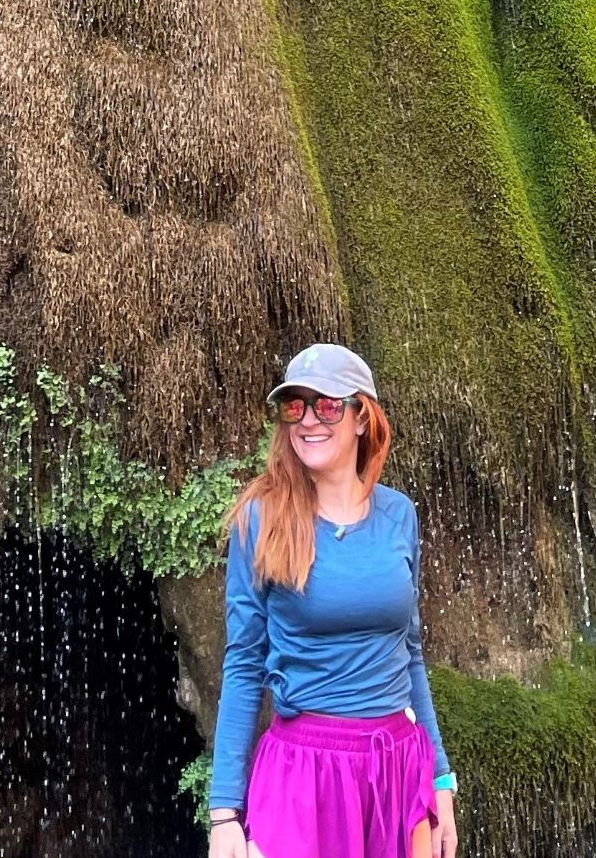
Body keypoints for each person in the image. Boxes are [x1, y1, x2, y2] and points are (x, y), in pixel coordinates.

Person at [206, 342, 460, 858]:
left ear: (362, 417)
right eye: (294, 406)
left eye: (326, 405)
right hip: (303, 774)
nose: (308, 421)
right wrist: (224, 812)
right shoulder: (262, 518)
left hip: (394, 770)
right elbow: (244, 661)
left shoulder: (399, 516)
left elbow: (409, 653)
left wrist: (440, 778)